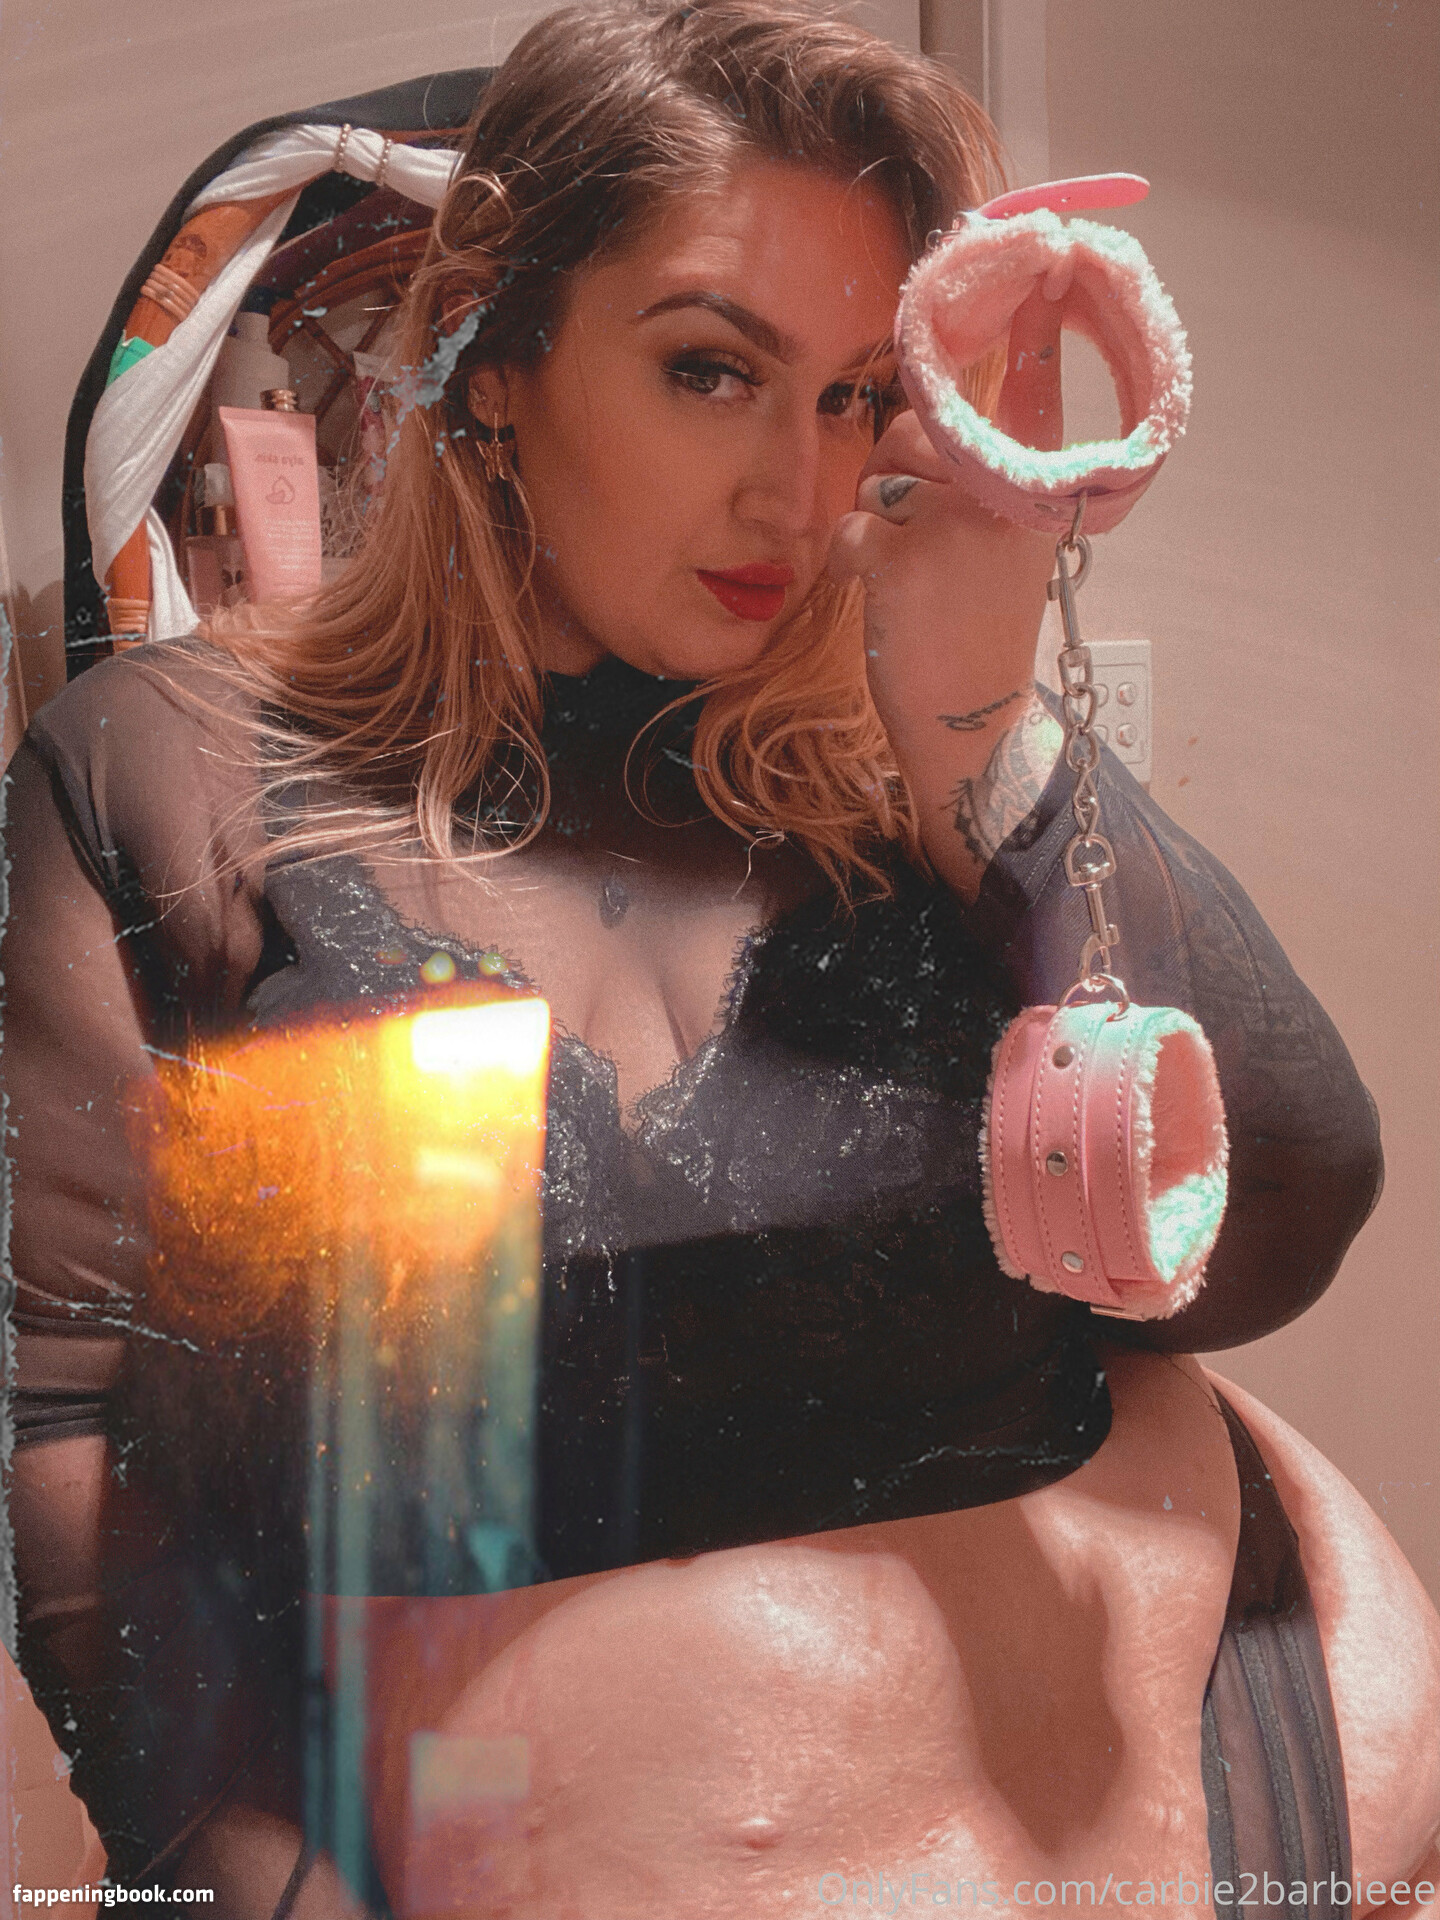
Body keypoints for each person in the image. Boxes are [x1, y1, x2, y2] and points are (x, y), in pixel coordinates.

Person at [5, 2, 1438, 1913]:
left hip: (1155, 1832)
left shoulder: (930, 765)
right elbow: (77, 1425)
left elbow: (1282, 1221)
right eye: (711, 371)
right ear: (498, 352)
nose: (799, 490)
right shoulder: (172, 773)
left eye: (857, 397)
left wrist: (976, 735)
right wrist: (249, 1882)